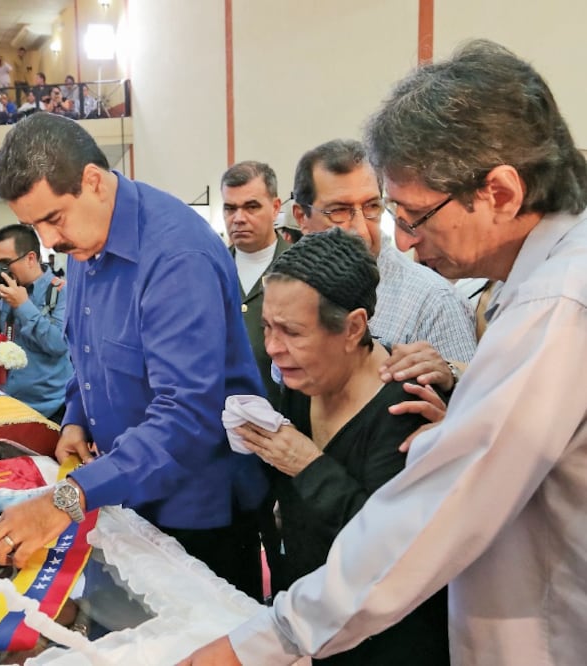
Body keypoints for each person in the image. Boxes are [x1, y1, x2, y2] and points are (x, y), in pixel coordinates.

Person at [181, 39, 587, 666]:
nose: (398, 239)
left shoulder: (556, 306)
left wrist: (265, 644)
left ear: (501, 192)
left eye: (412, 214)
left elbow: (427, 517)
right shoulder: (539, 285)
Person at [0, 113, 268, 599]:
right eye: (35, 225)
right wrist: (76, 416)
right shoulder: (83, 243)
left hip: (195, 512)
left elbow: (186, 419)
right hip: (122, 490)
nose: (48, 242)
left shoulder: (176, 258)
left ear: (93, 181)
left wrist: (66, 499)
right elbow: (88, 353)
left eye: (52, 219)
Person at [237, 228, 449, 664]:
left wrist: (309, 466)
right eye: (267, 329)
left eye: (292, 332)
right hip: (316, 627)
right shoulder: (303, 380)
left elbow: (391, 554)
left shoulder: (406, 407)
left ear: (353, 328)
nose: (274, 348)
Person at [291, 140, 477, 377]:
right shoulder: (291, 290)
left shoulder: (434, 303)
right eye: (339, 211)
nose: (360, 229)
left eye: (371, 207)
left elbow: (470, 404)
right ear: (301, 217)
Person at [0, 224, 74, 422]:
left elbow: (57, 344)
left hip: (50, 410)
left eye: (5, 262)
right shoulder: (3, 292)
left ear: (30, 258)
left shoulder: (62, 292)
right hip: (6, 404)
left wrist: (23, 305)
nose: (0, 269)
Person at [221, 161, 290, 405]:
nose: (238, 218)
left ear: (275, 208)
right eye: (230, 208)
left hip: (283, 419)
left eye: (251, 207)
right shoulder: (211, 271)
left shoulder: (300, 270)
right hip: (222, 425)